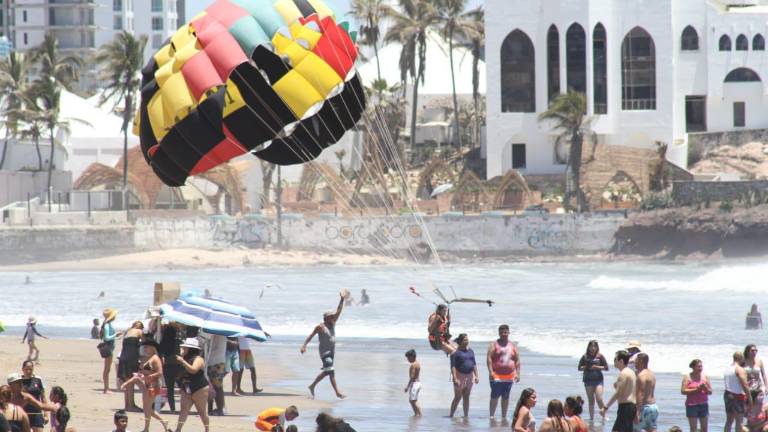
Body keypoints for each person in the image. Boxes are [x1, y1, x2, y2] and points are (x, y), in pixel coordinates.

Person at [300, 290, 346, 399]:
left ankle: (312, 386)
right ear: (326, 318)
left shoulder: (333, 324)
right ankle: (337, 392)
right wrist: (304, 345)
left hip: (332, 352)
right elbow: (311, 335)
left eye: (333, 316)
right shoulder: (320, 327)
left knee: (328, 372)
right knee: (331, 370)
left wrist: (342, 299)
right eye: (331, 316)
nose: (333, 317)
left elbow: (339, 311)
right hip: (324, 352)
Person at [120, 339, 169, 432]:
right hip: (147, 384)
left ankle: (147, 428)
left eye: (146, 347)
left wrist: (149, 375)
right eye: (144, 347)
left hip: (154, 386)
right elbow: (139, 374)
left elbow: (159, 373)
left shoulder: (155, 358)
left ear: (152, 348)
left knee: (147, 408)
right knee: (148, 408)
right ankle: (162, 422)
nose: (145, 349)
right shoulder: (148, 358)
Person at [174, 338, 209, 432]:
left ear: (191, 349)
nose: (183, 350)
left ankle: (207, 429)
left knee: (201, 411)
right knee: (184, 410)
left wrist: (182, 361)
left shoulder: (199, 359)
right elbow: (181, 373)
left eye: (185, 348)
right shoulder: (185, 359)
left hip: (199, 387)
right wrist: (181, 386)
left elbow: (193, 370)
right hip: (187, 387)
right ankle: (178, 429)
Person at [487, 324, 519, 419]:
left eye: (505, 332)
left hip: (509, 375)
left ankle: (503, 416)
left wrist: (518, 373)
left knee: (506, 396)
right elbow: (489, 358)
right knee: (495, 395)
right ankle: (492, 415)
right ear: (499, 333)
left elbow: (517, 360)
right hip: (496, 375)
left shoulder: (512, 345)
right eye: (501, 332)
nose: (504, 334)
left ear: (509, 332)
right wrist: (490, 371)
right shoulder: (494, 344)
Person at [600, 350, 637, 432]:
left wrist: (605, 407)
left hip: (626, 407)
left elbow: (618, 393)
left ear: (621, 361)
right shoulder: (631, 372)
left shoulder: (623, 374)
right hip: (631, 406)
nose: (614, 361)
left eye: (615, 359)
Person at [449, 333, 479, 418]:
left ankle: (466, 415)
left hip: (470, 376)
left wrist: (476, 376)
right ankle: (451, 415)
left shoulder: (471, 351)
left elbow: (474, 364)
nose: (467, 341)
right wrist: (454, 378)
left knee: (466, 396)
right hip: (459, 375)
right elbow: (453, 366)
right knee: (458, 397)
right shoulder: (455, 352)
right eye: (465, 339)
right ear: (460, 341)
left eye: (467, 339)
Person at [578, 340, 609, 421]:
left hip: (598, 379)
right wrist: (586, 367)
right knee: (591, 400)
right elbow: (579, 367)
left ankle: (604, 415)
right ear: (588, 347)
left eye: (594, 346)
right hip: (588, 380)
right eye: (591, 346)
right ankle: (591, 418)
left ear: (597, 347)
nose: (593, 348)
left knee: (599, 398)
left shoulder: (600, 356)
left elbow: (606, 367)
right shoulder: (585, 356)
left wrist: (597, 367)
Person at [118, 321, 143, 411]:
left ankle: (128, 405)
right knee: (131, 382)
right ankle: (131, 406)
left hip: (123, 357)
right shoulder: (139, 331)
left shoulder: (127, 332)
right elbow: (144, 343)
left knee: (127, 382)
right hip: (131, 357)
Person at [682, 359, 711, 432]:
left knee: (704, 429)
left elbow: (710, 392)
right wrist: (696, 390)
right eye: (698, 367)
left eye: (701, 366)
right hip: (692, 405)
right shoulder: (687, 377)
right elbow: (683, 391)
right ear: (693, 367)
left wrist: (705, 388)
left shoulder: (705, 377)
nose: (700, 368)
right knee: (693, 429)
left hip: (703, 404)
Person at [724, 351, 751, 432]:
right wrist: (749, 398)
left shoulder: (728, 368)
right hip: (737, 396)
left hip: (727, 394)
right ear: (741, 358)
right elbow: (745, 385)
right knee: (739, 421)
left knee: (729, 420)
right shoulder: (739, 369)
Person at [158, 321, 181, 413]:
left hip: (167, 366)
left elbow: (160, 353)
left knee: (170, 389)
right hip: (178, 366)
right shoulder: (178, 342)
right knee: (183, 388)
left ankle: (172, 409)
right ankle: (184, 407)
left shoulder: (163, 342)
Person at [203, 333, 228, 415]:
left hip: (216, 361)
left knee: (217, 387)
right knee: (211, 386)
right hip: (215, 361)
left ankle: (220, 409)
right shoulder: (217, 332)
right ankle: (211, 409)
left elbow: (212, 346)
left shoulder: (218, 332)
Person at [99, 308, 121, 394]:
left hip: (109, 347)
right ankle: (106, 389)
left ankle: (106, 388)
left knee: (107, 369)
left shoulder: (107, 324)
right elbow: (107, 337)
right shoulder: (107, 325)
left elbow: (108, 337)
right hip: (108, 348)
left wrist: (116, 337)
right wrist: (116, 335)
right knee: (107, 369)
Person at [635, 353, 658, 432]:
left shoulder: (641, 375)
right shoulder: (652, 374)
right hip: (654, 407)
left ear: (641, 361)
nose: (634, 362)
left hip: (644, 408)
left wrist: (637, 412)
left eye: (636, 360)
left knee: (635, 429)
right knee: (652, 430)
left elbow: (641, 394)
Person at [19, 362, 45, 432]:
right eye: (26, 369)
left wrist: (46, 414)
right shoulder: (19, 382)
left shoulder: (38, 380)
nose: (28, 371)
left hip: (37, 412)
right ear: (22, 369)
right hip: (23, 413)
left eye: (30, 369)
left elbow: (43, 398)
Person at [744, 345, 767, 413]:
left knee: (758, 407)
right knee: (747, 407)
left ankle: (758, 422)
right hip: (747, 388)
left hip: (758, 388)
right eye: (752, 350)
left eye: (756, 350)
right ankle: (749, 422)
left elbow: (763, 374)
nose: (754, 352)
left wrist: (766, 386)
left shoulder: (759, 361)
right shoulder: (743, 361)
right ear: (747, 351)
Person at [404, 349, 421, 417]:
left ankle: (418, 414)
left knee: (412, 401)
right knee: (413, 400)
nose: (408, 359)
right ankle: (418, 414)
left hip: (415, 384)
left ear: (412, 356)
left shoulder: (413, 365)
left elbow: (412, 376)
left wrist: (407, 386)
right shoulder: (417, 363)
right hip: (417, 383)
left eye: (408, 357)